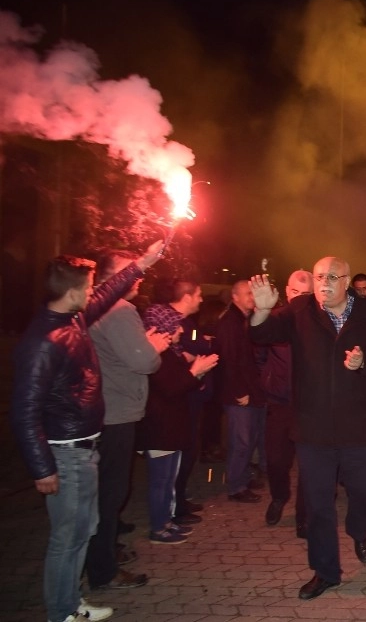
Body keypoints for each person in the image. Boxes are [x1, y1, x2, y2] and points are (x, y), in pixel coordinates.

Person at [10, 241, 163, 622]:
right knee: (68, 537)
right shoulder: (42, 342)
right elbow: (23, 410)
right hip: (65, 452)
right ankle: (61, 612)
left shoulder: (72, 317)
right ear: (74, 290)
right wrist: (41, 467)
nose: (95, 291)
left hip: (84, 447)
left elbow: (108, 295)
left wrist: (141, 264)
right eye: (90, 286)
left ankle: (71, 604)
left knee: (83, 529)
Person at [248, 257, 366, 600]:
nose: (325, 282)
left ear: (347, 281)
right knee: (318, 504)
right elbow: (262, 334)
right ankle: (325, 571)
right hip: (313, 428)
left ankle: (359, 529)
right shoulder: (300, 311)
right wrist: (260, 311)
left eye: (333, 276)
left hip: (358, 426)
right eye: (319, 277)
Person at [84, 250, 170, 592]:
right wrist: (153, 345)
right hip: (116, 411)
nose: (138, 277)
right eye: (128, 271)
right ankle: (102, 568)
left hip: (103, 408)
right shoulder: (118, 310)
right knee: (110, 493)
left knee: (104, 492)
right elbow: (145, 361)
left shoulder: (94, 307)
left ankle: (103, 551)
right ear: (111, 277)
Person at [136, 304, 218, 544]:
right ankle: (159, 527)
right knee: (160, 480)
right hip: (160, 427)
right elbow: (170, 387)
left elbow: (180, 384)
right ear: (164, 328)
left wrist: (197, 373)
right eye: (175, 325)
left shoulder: (171, 351)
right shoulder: (156, 356)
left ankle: (167, 521)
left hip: (171, 426)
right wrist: (194, 372)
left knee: (168, 479)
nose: (181, 330)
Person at [260, 270, 313, 531]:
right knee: (276, 460)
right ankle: (279, 497)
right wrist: (266, 382)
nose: (299, 298)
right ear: (286, 291)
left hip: (309, 406)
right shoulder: (274, 319)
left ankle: (304, 516)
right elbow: (256, 353)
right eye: (295, 292)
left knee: (309, 464)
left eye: (305, 294)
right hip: (279, 402)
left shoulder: (322, 323)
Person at [216, 280, 268, 503]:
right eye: (247, 293)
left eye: (252, 293)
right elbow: (229, 359)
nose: (251, 297)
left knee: (251, 437)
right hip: (240, 393)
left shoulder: (244, 320)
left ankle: (244, 478)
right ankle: (236, 486)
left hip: (252, 390)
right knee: (242, 441)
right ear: (235, 296)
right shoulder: (230, 322)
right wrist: (240, 391)